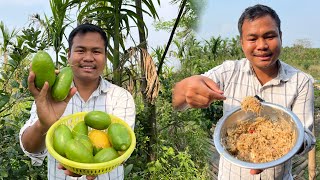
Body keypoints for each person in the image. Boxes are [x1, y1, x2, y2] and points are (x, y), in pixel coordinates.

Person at [172, 4, 315, 180]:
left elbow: (307, 139)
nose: (262, 45)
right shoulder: (228, 72)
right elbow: (179, 99)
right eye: (252, 38)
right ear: (241, 42)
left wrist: (288, 144)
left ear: (281, 37)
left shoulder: (301, 81)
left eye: (270, 36)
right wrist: (185, 89)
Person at [19, 24, 136, 180]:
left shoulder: (121, 97)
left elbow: (122, 150)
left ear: (105, 57)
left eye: (96, 51)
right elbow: (31, 149)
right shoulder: (49, 96)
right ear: (69, 55)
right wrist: (44, 124)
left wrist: (86, 164)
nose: (88, 57)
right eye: (80, 50)